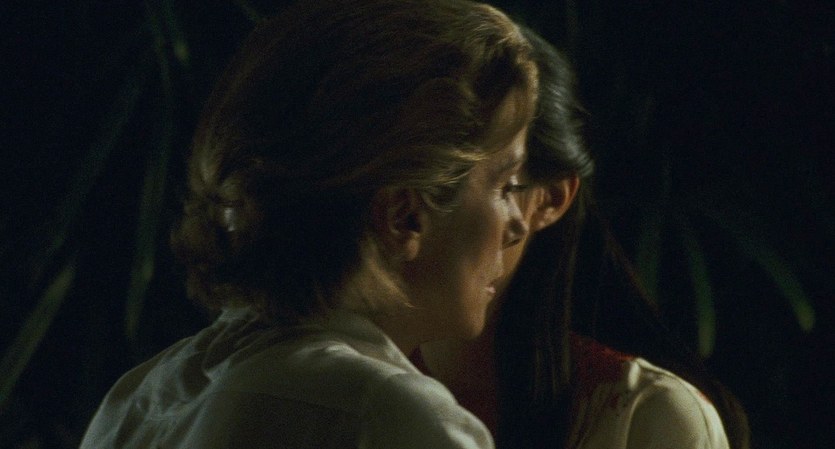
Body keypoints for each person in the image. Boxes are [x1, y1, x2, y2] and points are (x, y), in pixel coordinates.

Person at [78, 1, 540, 448]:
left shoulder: (138, 398)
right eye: (505, 185)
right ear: (405, 217)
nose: (518, 224)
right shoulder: (389, 418)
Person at [416, 28, 751, 449]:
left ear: (549, 200)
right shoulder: (352, 386)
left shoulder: (645, 416)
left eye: (449, 181)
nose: (414, 212)